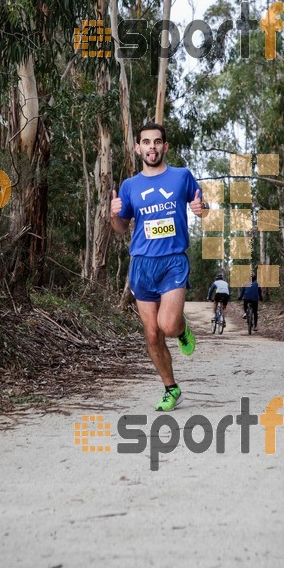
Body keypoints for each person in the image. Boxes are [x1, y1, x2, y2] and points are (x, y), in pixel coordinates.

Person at [110, 122, 204, 412]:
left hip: (173, 261)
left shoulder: (181, 177)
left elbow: (201, 204)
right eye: (146, 142)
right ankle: (170, 388)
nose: (152, 147)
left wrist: (203, 209)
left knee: (168, 325)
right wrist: (113, 214)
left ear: (165, 147)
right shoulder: (129, 186)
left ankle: (182, 327)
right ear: (138, 148)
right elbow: (121, 229)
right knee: (152, 334)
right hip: (142, 265)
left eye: (157, 142)